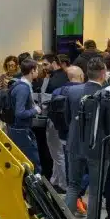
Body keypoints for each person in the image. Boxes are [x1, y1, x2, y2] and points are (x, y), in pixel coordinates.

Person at [63, 57, 110, 219]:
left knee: (73, 186)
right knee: (95, 192)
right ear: (103, 74)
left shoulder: (73, 92)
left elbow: (67, 118)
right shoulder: (106, 95)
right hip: (97, 149)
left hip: (74, 145)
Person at [45, 65, 84, 194]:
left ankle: (57, 181)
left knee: (58, 156)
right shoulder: (85, 91)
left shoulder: (57, 91)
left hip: (58, 129)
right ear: (81, 76)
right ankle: (66, 185)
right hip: (79, 132)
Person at [6, 58, 42, 173]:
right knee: (33, 163)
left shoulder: (19, 84)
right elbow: (20, 113)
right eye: (37, 69)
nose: (38, 72)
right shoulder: (23, 88)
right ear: (32, 71)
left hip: (17, 128)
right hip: (21, 130)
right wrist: (35, 110)